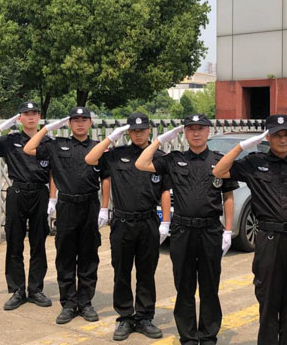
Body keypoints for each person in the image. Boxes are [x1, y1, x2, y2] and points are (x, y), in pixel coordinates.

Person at [212, 114, 287, 345]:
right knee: (268, 299)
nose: (283, 139)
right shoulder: (254, 163)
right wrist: (241, 146)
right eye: (277, 135)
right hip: (269, 240)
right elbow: (218, 171)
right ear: (267, 137)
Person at [135, 114, 239, 345]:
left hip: (210, 231)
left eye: (200, 128)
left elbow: (228, 197)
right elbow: (141, 164)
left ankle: (208, 336)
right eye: (190, 129)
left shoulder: (219, 161)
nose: (196, 133)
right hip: (183, 231)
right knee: (184, 286)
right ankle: (188, 337)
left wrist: (228, 230)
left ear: (208, 131)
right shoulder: (175, 159)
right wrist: (160, 140)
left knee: (210, 286)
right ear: (184, 133)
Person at [84, 112, 171, 341]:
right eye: (133, 130)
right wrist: (111, 138)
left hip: (148, 222)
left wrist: (165, 222)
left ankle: (144, 317)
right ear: (128, 132)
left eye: (142, 130)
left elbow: (165, 191)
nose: (138, 134)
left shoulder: (160, 157)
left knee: (146, 272)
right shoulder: (117, 154)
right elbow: (90, 159)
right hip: (122, 222)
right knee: (121, 272)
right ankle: (125, 317)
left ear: (149, 130)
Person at [24, 107, 102, 325]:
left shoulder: (98, 147)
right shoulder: (57, 145)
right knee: (65, 256)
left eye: (84, 119)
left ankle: (85, 303)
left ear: (90, 123)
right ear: (69, 123)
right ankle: (68, 303)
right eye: (75, 120)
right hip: (67, 205)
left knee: (88, 256)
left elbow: (106, 177)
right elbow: (29, 148)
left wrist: (105, 209)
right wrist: (47, 128)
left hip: (89, 205)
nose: (80, 123)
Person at [0, 101, 55, 311]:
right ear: (19, 118)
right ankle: (17, 290)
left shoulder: (48, 142)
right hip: (17, 193)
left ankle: (35, 289)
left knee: (38, 243)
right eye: (26, 114)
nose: (31, 117)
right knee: (14, 242)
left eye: (34, 113)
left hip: (40, 193)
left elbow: (53, 173)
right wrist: (1, 127)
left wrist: (53, 198)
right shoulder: (10, 140)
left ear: (39, 117)